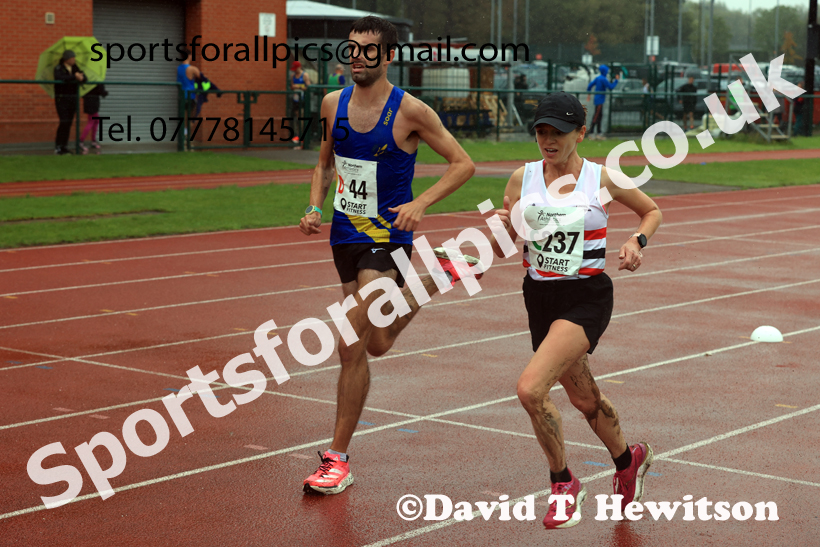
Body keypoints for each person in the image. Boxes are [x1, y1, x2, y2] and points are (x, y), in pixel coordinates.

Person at [298, 15, 480, 495]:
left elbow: (464, 164)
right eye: (351, 48)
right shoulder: (331, 102)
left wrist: (421, 203)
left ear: (388, 56)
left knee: (348, 338)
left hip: (388, 237)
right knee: (375, 344)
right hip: (344, 236)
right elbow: (323, 163)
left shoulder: (411, 111)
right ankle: (435, 277)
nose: (357, 56)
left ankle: (336, 458)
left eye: (367, 50)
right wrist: (315, 205)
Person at [489, 92, 662, 529]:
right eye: (542, 131)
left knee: (530, 389)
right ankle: (629, 460)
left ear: (581, 133)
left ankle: (563, 482)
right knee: (584, 399)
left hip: (587, 296)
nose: (548, 140)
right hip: (540, 298)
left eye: (558, 132)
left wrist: (634, 242)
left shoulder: (601, 178)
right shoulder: (520, 179)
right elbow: (508, 245)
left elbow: (651, 211)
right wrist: (501, 228)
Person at [53, 50, 85, 155]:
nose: (74, 60)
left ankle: (65, 146)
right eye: (72, 58)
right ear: (67, 59)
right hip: (62, 99)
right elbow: (60, 78)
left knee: (69, 122)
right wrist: (74, 77)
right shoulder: (59, 68)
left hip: (72, 98)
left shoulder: (75, 68)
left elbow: (84, 78)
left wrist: (82, 77)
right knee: (64, 121)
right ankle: (58, 146)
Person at [586, 65, 619, 140]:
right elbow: (610, 87)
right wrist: (616, 80)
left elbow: (590, 86)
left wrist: (589, 93)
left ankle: (598, 133)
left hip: (597, 99)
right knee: (596, 116)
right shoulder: (603, 79)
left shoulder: (598, 78)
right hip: (600, 100)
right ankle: (591, 133)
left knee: (599, 116)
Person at [177, 47, 201, 149]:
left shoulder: (178, 68)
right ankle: (188, 139)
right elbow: (203, 80)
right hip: (190, 97)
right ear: (190, 56)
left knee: (184, 118)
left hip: (182, 96)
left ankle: (184, 139)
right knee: (191, 119)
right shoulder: (192, 69)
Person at [79, 83, 108, 153]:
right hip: (93, 103)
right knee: (91, 122)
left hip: (88, 102)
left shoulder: (87, 80)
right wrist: (105, 91)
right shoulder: (97, 81)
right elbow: (103, 93)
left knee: (96, 121)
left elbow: (82, 92)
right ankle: (80, 141)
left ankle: (93, 141)